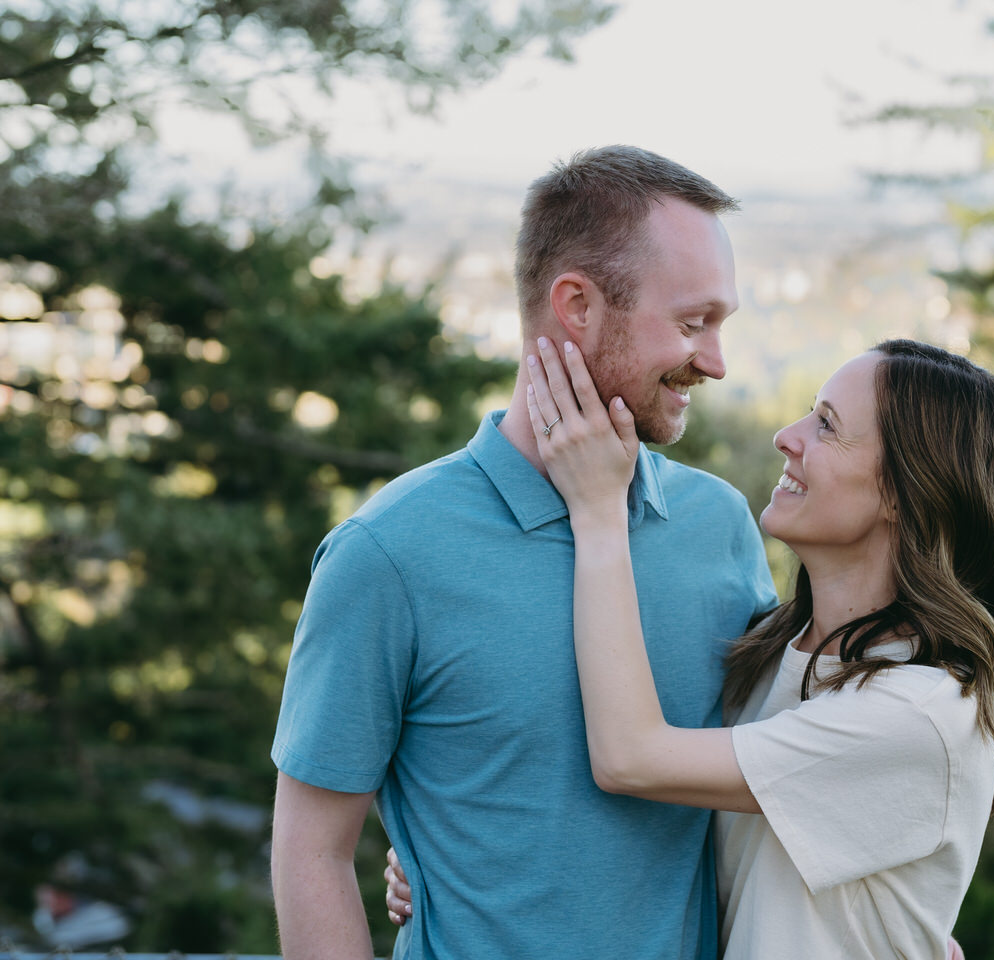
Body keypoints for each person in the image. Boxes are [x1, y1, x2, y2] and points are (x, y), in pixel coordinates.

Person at [269, 146, 777, 960]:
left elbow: (788, 774)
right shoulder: (388, 553)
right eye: (691, 324)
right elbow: (312, 848)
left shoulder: (718, 525)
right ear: (576, 304)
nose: (713, 361)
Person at [388, 337, 994, 957]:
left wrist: (599, 512)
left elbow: (630, 758)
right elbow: (668, 839)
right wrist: (452, 851)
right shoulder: (772, 647)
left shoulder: (919, 715)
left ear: (905, 495)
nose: (786, 437)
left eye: (826, 425)